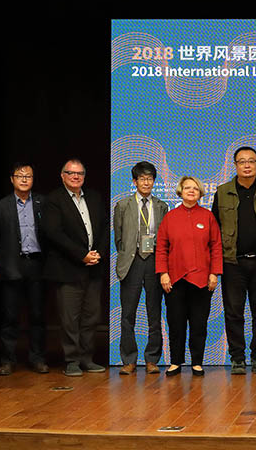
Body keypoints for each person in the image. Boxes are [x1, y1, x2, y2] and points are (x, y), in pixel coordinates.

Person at [212, 146, 256, 374]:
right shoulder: (222, 192)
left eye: (251, 161)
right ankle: (237, 359)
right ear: (235, 165)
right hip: (233, 263)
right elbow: (214, 230)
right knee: (234, 313)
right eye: (242, 161)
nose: (247, 165)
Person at [42, 158, 109, 377]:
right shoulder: (53, 200)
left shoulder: (95, 197)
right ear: (62, 175)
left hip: (93, 268)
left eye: (80, 173)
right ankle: (71, 360)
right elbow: (54, 233)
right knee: (69, 318)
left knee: (91, 316)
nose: (75, 176)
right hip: (67, 268)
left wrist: (96, 253)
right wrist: (81, 255)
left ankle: (87, 358)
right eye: (71, 173)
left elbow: (104, 228)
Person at [157, 176, 222, 376]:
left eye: (195, 188)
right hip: (174, 279)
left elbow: (216, 247)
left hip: (202, 280)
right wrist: (163, 273)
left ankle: (197, 363)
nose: (191, 191)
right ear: (180, 191)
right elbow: (161, 247)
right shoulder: (170, 217)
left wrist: (214, 273)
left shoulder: (208, 217)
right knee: (175, 323)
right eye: (187, 188)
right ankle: (176, 362)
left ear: (201, 193)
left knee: (198, 323)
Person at [0, 161, 48, 375]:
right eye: (20, 176)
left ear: (33, 180)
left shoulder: (43, 202)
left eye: (28, 176)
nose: (24, 179)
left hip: (37, 265)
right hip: (11, 265)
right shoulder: (0, 206)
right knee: (10, 316)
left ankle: (37, 358)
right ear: (12, 179)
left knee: (38, 316)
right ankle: (8, 359)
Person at [113, 161, 168, 375]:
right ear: (134, 181)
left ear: (154, 181)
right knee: (128, 314)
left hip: (154, 260)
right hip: (132, 262)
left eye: (150, 178)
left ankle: (152, 359)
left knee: (154, 313)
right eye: (142, 179)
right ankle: (129, 360)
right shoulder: (123, 205)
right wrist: (130, 253)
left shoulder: (161, 206)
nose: (146, 182)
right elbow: (119, 238)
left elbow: (164, 238)